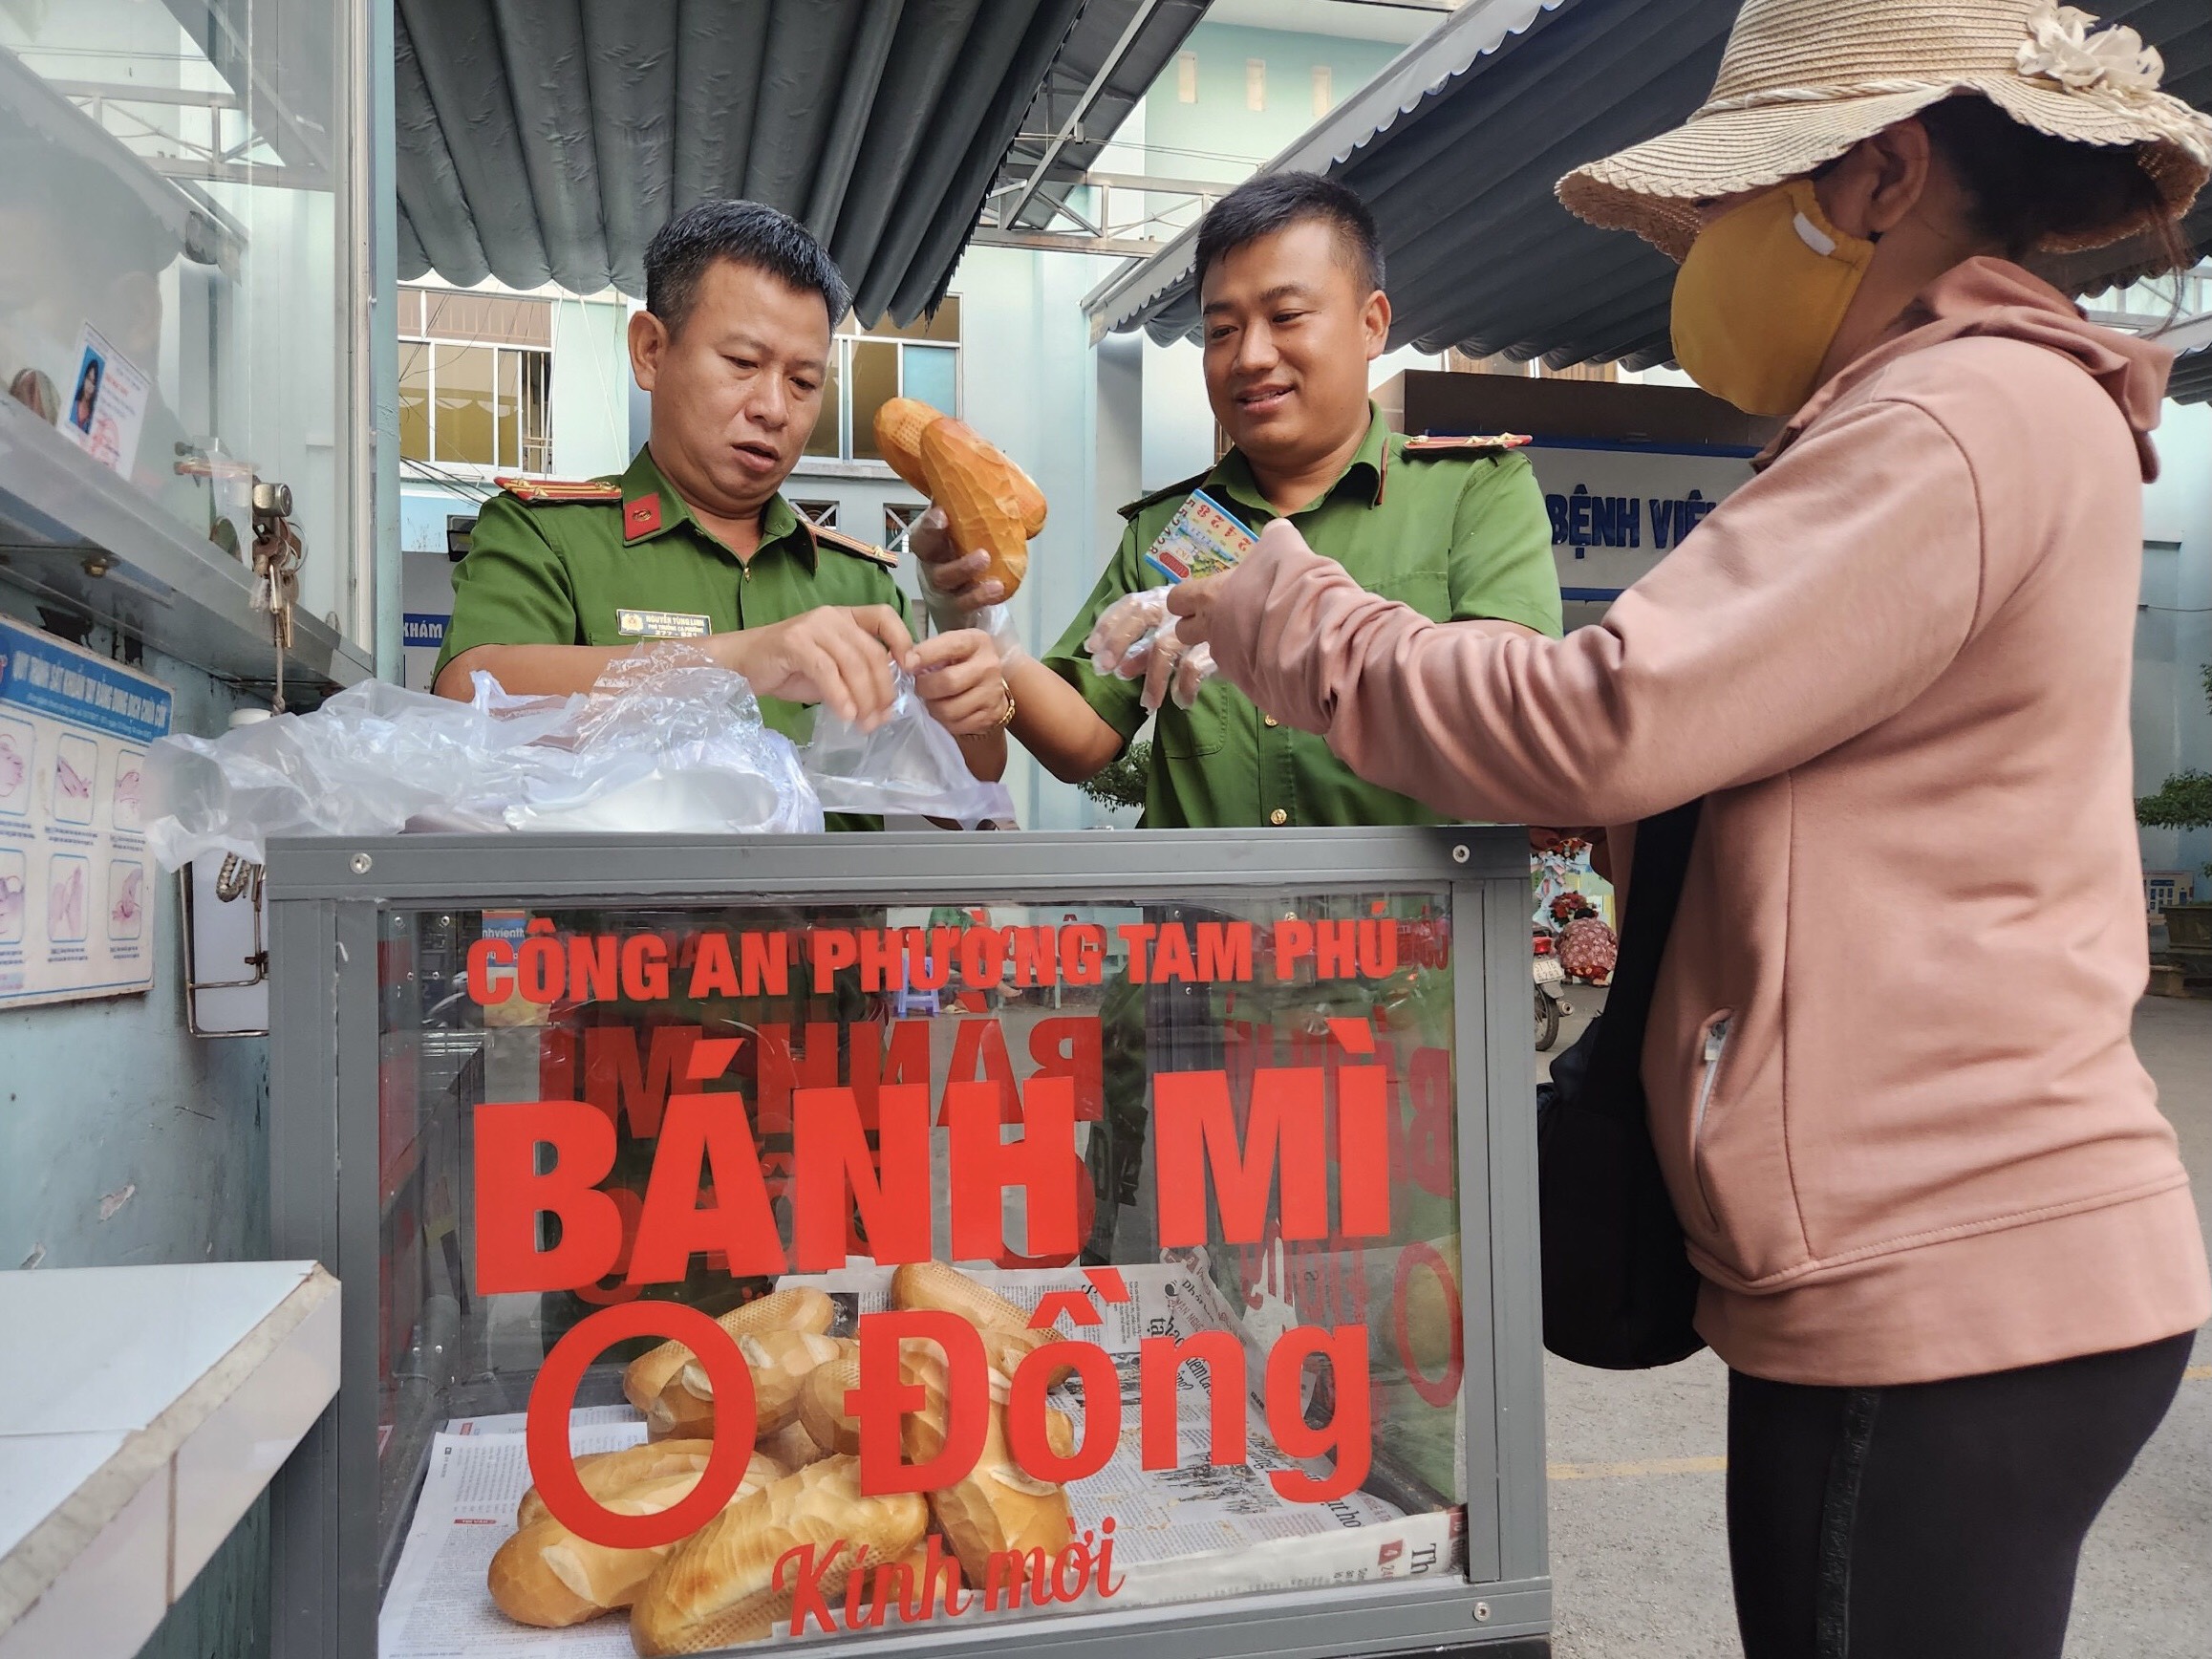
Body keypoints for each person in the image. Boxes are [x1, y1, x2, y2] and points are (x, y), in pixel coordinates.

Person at [1153, 5, 2212, 1655]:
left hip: (1942, 1272)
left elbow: (1603, 715)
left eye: (1723, 207)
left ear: (1877, 176)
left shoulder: (1952, 424)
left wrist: (1280, 608)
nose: (1700, 259)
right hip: (1951, 1258)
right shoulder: (1940, 412)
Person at [913, 172, 1564, 1261]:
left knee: (1380, 1374)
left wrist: (1285, 622)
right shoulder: (1180, 528)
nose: (1249, 355)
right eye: (1221, 330)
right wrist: (977, 617)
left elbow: (1504, 704)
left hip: (1392, 1038)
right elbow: (1082, 736)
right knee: (1176, 1366)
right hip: (1190, 1028)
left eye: (1283, 316)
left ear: (1369, 324)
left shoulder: (1469, 497)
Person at [433, 199, 1011, 801]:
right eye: (742, 363)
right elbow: (466, 701)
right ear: (651, 351)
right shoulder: (549, 535)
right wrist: (733, 661)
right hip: (628, 899)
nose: (774, 408)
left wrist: (975, 706)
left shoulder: (856, 582)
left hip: (825, 900)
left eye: (804, 382)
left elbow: (960, 792)